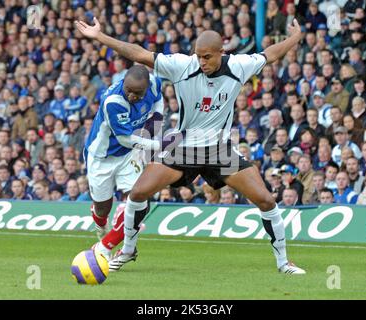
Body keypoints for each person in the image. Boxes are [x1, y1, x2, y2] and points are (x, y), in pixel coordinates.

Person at [76, 17, 306, 274]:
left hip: (219, 149)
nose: (202, 62)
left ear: (222, 52)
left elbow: (270, 54)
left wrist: (295, 38)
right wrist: (100, 37)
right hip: (182, 146)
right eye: (198, 56)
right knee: (138, 194)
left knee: (265, 200)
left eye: (207, 57)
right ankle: (128, 250)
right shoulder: (182, 66)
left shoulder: (240, 66)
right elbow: (139, 54)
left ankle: (284, 263)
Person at [84, 65, 164, 267]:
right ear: (123, 83)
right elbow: (125, 139)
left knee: (139, 199)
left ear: (146, 87)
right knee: (103, 208)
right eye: (128, 90)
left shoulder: (154, 83)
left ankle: (113, 247)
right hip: (102, 157)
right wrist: (158, 145)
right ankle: (101, 227)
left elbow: (158, 101)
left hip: (129, 156)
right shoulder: (113, 101)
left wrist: (155, 124)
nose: (132, 95)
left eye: (138, 93)